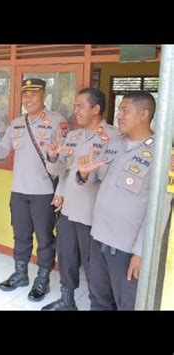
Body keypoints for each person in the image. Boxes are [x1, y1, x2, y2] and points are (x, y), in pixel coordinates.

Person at [77, 91, 171, 310]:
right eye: (119, 109)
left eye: (124, 110)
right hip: (99, 235)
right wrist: (83, 174)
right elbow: (96, 176)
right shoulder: (114, 143)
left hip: (126, 248)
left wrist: (141, 251)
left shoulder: (163, 153)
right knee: (98, 299)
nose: (118, 115)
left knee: (127, 304)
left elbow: (161, 210)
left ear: (144, 115)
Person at [0, 78, 68, 301]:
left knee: (45, 238)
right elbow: (1, 152)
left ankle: (43, 280)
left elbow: (64, 163)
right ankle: (21, 274)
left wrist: (60, 189)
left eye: (33, 94)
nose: (28, 99)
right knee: (20, 235)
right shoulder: (17, 123)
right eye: (25, 95)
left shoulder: (57, 122)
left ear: (44, 95)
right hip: (19, 191)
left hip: (44, 192)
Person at [42, 88, 119, 310]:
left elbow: (108, 178)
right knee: (66, 257)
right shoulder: (73, 135)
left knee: (94, 266)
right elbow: (61, 172)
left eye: (80, 106)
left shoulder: (112, 138)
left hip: (93, 215)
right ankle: (67, 300)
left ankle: (100, 305)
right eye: (75, 106)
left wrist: (87, 174)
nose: (75, 111)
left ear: (95, 109)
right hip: (68, 209)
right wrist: (54, 157)